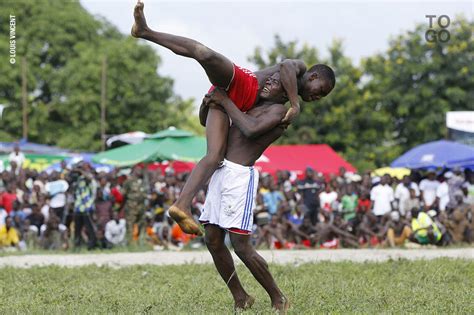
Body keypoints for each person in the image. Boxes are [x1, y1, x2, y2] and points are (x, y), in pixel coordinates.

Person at [131, 0, 335, 235]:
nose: (318, 97)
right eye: (321, 90)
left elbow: (252, 125)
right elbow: (286, 66)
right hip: (240, 82)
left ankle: (182, 205)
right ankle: (145, 31)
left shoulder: (280, 106)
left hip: (227, 104)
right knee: (205, 54)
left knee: (215, 156)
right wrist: (296, 104)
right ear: (313, 76)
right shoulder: (298, 69)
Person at [198, 82, 292, 312]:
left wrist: (225, 102)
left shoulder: (279, 111)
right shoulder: (250, 103)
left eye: (276, 81)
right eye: (269, 80)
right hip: (220, 171)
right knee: (212, 239)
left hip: (239, 176)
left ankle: (278, 297)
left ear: (287, 89)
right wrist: (208, 102)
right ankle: (240, 296)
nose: (268, 83)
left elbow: (250, 129)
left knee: (240, 245)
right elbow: (206, 120)